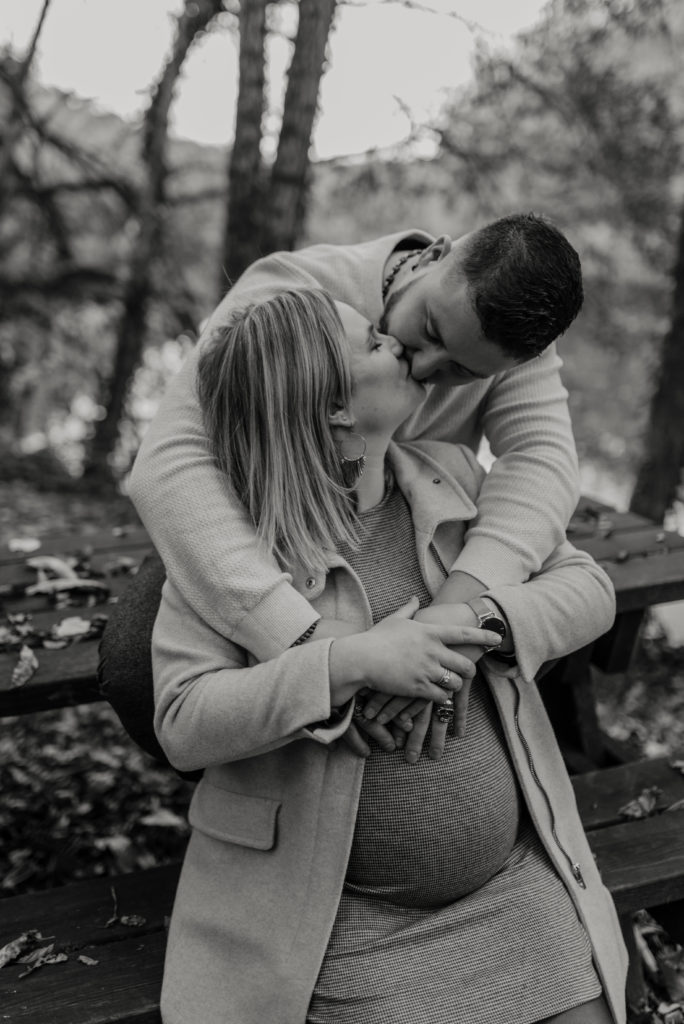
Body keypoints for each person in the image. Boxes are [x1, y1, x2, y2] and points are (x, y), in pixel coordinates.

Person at [152, 288, 626, 1024]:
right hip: (335, 920)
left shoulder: (450, 475)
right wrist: (349, 665)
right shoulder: (232, 548)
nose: (399, 345)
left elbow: (589, 589)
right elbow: (184, 721)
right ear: (335, 409)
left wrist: (468, 623)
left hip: (513, 888)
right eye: (374, 343)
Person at [128, 214, 585, 715]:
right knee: (133, 660)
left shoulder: (509, 345)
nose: (424, 366)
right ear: (432, 257)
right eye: (429, 329)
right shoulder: (295, 290)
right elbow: (171, 463)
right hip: (262, 540)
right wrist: (311, 640)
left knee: (533, 640)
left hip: (418, 544)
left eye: (461, 370)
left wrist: (453, 617)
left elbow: (541, 460)